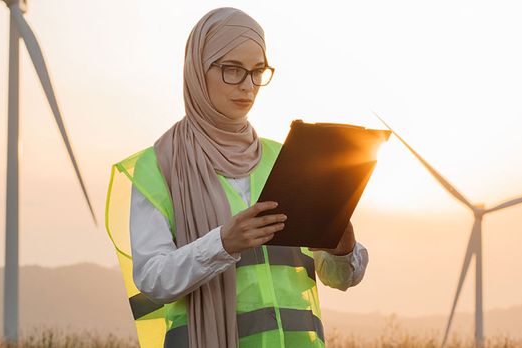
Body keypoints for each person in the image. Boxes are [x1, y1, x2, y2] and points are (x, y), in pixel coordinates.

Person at [105, 7, 368, 348]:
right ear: (199, 69)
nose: (248, 86)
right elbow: (152, 278)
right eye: (233, 70)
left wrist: (342, 247)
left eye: (258, 72)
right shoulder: (158, 166)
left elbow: (340, 277)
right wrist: (223, 242)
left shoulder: (286, 158)